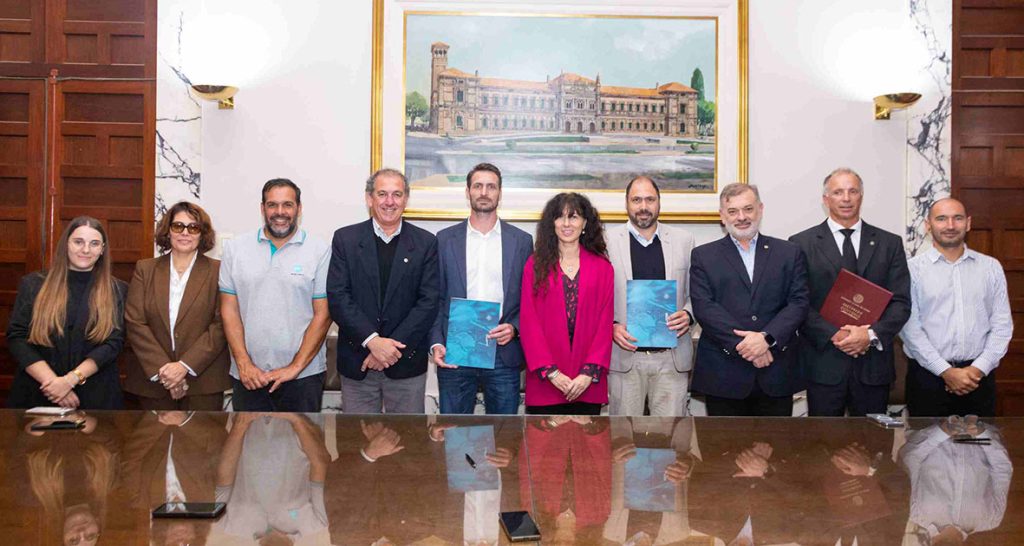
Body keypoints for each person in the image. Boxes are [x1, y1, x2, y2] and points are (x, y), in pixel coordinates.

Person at [790, 167, 911, 416]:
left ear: (861, 196)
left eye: (852, 191)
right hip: (823, 365)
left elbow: (900, 302)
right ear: (826, 199)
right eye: (838, 192)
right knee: (823, 439)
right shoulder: (800, 243)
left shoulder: (890, 243)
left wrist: (869, 335)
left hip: (873, 365)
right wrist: (835, 334)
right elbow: (798, 302)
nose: (846, 198)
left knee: (873, 438)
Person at [689, 183, 809, 416]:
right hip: (723, 373)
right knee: (723, 441)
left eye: (748, 209)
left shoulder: (789, 252)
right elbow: (704, 307)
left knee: (778, 440)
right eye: (733, 211)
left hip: (776, 371)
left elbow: (799, 302)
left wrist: (767, 338)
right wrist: (747, 346)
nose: (741, 217)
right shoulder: (703, 256)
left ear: (760, 209)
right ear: (722, 216)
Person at [327, 168, 440, 414]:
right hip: (358, 362)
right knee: (357, 437)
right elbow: (338, 297)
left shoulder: (426, 243)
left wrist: (388, 351)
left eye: (397, 194)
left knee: (407, 437)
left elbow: (429, 302)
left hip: (406, 365)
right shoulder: (345, 239)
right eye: (382, 194)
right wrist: (373, 342)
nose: (390, 201)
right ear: (369, 198)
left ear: (406, 199)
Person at [219, 178, 332, 412]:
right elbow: (229, 310)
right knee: (249, 436)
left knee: (302, 437)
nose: (280, 212)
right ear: (262, 208)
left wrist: (295, 367)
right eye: (272, 205)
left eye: (287, 205)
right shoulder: (234, 249)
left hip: (303, 377)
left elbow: (323, 315)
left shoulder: (320, 251)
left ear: (299, 208)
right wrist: (244, 363)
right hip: (248, 376)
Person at [429, 163, 533, 414]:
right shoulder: (444, 239)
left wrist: (515, 328)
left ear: (500, 193)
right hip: (457, 349)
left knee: (504, 434)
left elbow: (531, 299)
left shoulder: (521, 241)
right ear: (468, 192)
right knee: (455, 432)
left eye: (491, 187)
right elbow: (434, 298)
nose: (484, 192)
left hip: (503, 351)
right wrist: (436, 342)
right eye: (478, 186)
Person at [899, 198, 1012, 417]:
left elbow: (1002, 326)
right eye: (941, 219)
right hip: (927, 379)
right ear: (928, 225)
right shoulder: (911, 270)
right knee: (925, 440)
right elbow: (909, 329)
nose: (950, 225)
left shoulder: (991, 267)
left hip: (978, 379)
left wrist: (978, 369)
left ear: (968, 223)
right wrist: (945, 371)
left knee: (982, 440)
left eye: (957, 218)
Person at [7, 216, 127, 409]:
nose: (86, 250)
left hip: (96, 395)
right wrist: (54, 384)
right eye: (78, 242)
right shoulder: (33, 284)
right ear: (66, 245)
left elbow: (114, 343)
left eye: (94, 243)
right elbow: (17, 337)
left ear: (102, 249)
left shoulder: (118, 290)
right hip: (39, 390)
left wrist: (70, 380)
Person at [124, 201, 230, 410]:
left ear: (202, 234)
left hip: (203, 382)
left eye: (193, 227)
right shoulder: (145, 269)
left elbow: (221, 324)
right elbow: (135, 322)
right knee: (154, 433)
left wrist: (184, 366)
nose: (185, 233)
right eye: (178, 226)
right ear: (168, 230)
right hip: (153, 381)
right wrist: (165, 371)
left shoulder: (219, 271)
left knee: (202, 434)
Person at [607, 175, 696, 416]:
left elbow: (697, 293)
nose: (643, 206)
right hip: (625, 356)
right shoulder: (605, 242)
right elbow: (595, 298)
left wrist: (688, 315)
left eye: (650, 199)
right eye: (636, 200)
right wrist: (611, 325)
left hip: (671, 359)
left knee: (671, 435)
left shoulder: (684, 240)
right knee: (623, 436)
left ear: (659, 202)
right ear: (626, 203)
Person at [520, 192, 614, 415]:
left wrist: (587, 374)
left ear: (585, 223)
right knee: (543, 440)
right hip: (546, 382)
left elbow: (605, 325)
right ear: (551, 223)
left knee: (588, 440)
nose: (566, 224)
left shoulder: (603, 267)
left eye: (573, 217)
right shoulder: (535, 265)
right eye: (559, 217)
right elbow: (528, 322)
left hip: (587, 384)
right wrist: (552, 373)